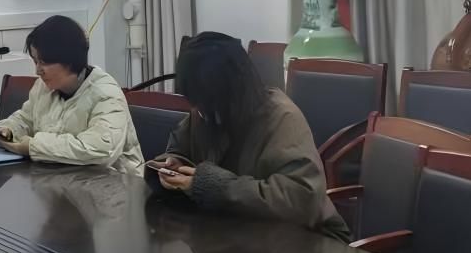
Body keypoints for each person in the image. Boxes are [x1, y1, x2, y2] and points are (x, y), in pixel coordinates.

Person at [146, 32, 350, 240]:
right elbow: (179, 150)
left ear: (229, 91)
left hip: (311, 239)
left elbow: (300, 201)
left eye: (206, 103)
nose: (200, 111)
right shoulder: (206, 111)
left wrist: (214, 187)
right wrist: (174, 165)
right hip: (246, 231)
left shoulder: (281, 118)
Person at [0, 14, 144, 174]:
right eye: (35, 61)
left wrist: (32, 147)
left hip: (115, 183)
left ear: (68, 59)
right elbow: (25, 119)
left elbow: (100, 150)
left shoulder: (105, 94)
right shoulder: (43, 87)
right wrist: (8, 130)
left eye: (43, 62)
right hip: (64, 179)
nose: (37, 71)